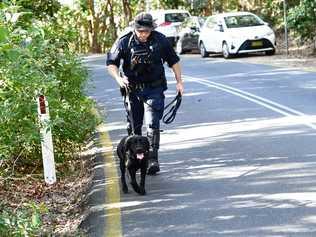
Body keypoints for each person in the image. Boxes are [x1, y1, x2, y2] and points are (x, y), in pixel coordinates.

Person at [106, 12, 184, 175]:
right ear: (135, 29)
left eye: (146, 31)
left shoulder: (160, 40)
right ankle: (134, 158)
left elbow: (174, 61)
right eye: (140, 31)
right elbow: (111, 64)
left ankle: (152, 159)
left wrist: (179, 82)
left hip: (154, 88)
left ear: (151, 29)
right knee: (134, 126)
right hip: (132, 90)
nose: (143, 34)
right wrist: (118, 78)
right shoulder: (124, 41)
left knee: (152, 123)